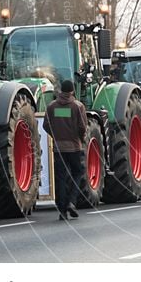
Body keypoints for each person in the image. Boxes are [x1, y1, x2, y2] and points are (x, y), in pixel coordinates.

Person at [43, 79, 87, 221]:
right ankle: (71, 202)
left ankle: (62, 210)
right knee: (78, 172)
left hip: (58, 149)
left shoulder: (51, 107)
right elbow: (82, 127)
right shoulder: (77, 106)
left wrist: (55, 136)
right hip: (74, 147)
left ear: (61, 90)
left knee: (60, 178)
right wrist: (80, 138)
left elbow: (46, 125)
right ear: (72, 91)